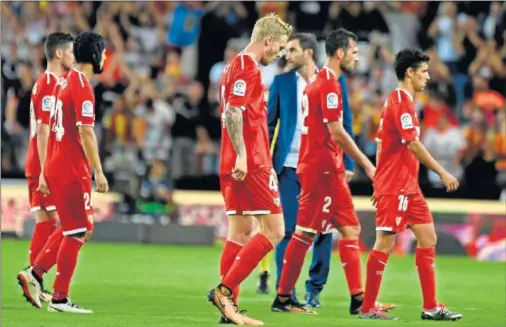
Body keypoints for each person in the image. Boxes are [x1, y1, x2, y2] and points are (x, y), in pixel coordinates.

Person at [270, 28, 393, 315]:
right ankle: (284, 297)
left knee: (349, 230)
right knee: (304, 232)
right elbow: (337, 132)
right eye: (354, 52)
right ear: (340, 53)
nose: (356, 58)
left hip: (328, 168)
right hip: (321, 169)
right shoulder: (327, 85)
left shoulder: (322, 82)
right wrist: (366, 163)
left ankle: (359, 300)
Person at [359, 49, 462, 321]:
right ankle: (368, 307)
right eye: (424, 72)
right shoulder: (401, 102)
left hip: (408, 186)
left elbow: (381, 143)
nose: (427, 77)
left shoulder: (396, 100)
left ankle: (430, 307)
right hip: (396, 185)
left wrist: (378, 180)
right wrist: (442, 173)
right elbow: (413, 145)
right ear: (410, 73)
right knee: (385, 243)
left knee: (428, 238)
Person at [207, 13, 292, 326]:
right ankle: (224, 291)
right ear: (267, 40)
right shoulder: (246, 67)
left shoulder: (233, 66)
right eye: (279, 47)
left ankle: (229, 312)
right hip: (251, 161)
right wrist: (243, 154)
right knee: (275, 231)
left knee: (240, 234)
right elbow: (233, 111)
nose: (279, 53)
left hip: (233, 160)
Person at [20, 31, 109, 313]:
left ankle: (35, 273)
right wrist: (99, 170)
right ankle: (58, 296)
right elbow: (85, 132)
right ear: (94, 55)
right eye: (104, 52)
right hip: (70, 167)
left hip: (59, 164)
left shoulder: (65, 82)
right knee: (77, 229)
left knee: (79, 227)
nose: (106, 57)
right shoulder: (81, 85)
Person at [266, 32, 356, 308]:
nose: (286, 55)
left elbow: (345, 124)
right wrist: (266, 163)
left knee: (324, 231)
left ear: (308, 52)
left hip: (324, 167)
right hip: (289, 166)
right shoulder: (280, 83)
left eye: (292, 50)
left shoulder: (334, 81)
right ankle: (287, 291)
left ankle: (314, 289)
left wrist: (349, 164)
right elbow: (269, 124)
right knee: (289, 229)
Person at [16, 32, 75, 307]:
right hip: (44, 163)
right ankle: (34, 276)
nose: (75, 58)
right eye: (72, 52)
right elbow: (43, 129)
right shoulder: (50, 83)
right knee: (65, 224)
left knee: (47, 221)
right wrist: (44, 170)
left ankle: (34, 282)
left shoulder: (53, 83)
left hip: (43, 162)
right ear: (60, 54)